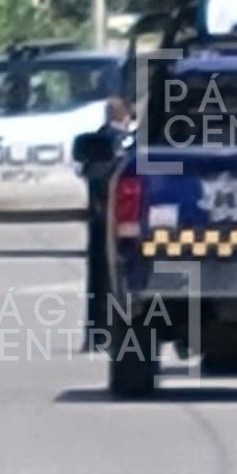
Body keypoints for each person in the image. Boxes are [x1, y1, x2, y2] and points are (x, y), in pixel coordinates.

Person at [82, 97, 133, 353]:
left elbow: (89, 175)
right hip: (118, 217)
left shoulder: (97, 142)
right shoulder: (126, 143)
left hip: (99, 217)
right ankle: (108, 334)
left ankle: (95, 334)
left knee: (97, 279)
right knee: (118, 279)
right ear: (124, 117)